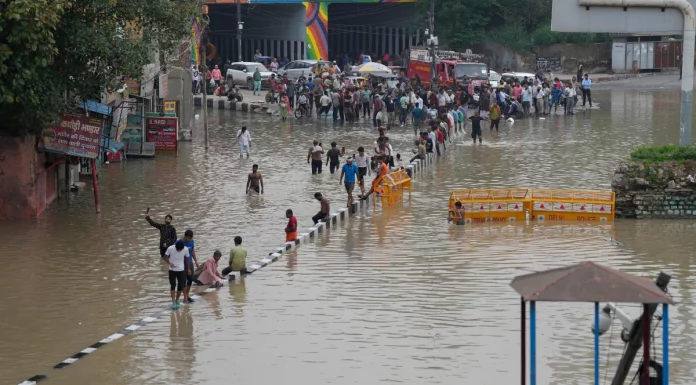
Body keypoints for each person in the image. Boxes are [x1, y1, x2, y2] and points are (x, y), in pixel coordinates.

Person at [164, 240, 190, 309]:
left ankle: (177, 300)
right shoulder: (170, 248)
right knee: (173, 285)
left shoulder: (185, 249)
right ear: (175, 246)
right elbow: (165, 257)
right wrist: (169, 262)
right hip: (172, 270)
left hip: (181, 270)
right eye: (177, 249)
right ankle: (173, 302)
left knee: (180, 286)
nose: (179, 250)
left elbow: (187, 259)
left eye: (180, 249)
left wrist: (189, 269)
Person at [179, 229, 199, 303]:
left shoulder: (191, 242)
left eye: (191, 238)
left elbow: (192, 251)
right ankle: (185, 297)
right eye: (189, 238)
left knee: (190, 279)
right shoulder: (180, 242)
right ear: (185, 236)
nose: (190, 240)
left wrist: (196, 261)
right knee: (183, 280)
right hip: (182, 263)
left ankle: (187, 295)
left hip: (190, 263)